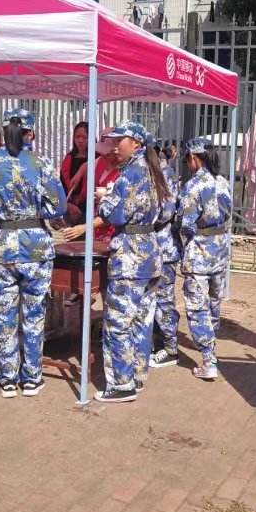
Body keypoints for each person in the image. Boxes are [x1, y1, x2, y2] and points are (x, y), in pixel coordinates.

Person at [64, 122, 170, 404]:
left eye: (118, 141)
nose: (113, 148)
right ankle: (137, 374)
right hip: (150, 252)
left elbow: (113, 214)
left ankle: (122, 384)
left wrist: (106, 196)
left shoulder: (130, 173)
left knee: (118, 322)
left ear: (135, 142)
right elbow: (165, 212)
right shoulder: (154, 170)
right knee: (142, 319)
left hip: (130, 255)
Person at [0, 108, 67, 398]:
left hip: (1, 244)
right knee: (35, 315)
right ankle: (32, 378)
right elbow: (57, 207)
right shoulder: (41, 162)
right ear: (31, 132)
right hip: (35, 245)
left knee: (5, 314)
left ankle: (8, 378)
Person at [178, 138, 232, 380]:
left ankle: (208, 360)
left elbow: (185, 223)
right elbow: (228, 215)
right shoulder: (223, 182)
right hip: (219, 253)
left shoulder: (193, 186)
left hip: (199, 255)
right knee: (213, 303)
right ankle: (211, 344)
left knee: (197, 307)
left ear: (193, 157)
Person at [149, 145, 181, 368]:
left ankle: (170, 349)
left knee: (164, 299)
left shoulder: (165, 174)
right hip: (153, 248)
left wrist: (141, 217)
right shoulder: (152, 173)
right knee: (153, 299)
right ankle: (159, 344)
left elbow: (166, 212)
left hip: (165, 249)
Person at [60, 122, 90, 223]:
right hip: (70, 209)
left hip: (89, 209)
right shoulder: (68, 159)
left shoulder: (97, 158)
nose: (80, 141)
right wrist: (69, 206)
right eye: (77, 137)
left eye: (84, 137)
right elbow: (62, 186)